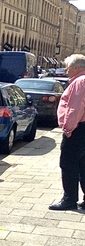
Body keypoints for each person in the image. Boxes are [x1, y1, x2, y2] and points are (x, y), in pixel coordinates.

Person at [49, 54, 85, 210]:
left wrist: (68, 129)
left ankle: (69, 199)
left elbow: (74, 108)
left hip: (78, 129)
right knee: (83, 165)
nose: (66, 70)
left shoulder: (79, 82)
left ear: (76, 68)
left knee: (68, 164)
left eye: (68, 67)